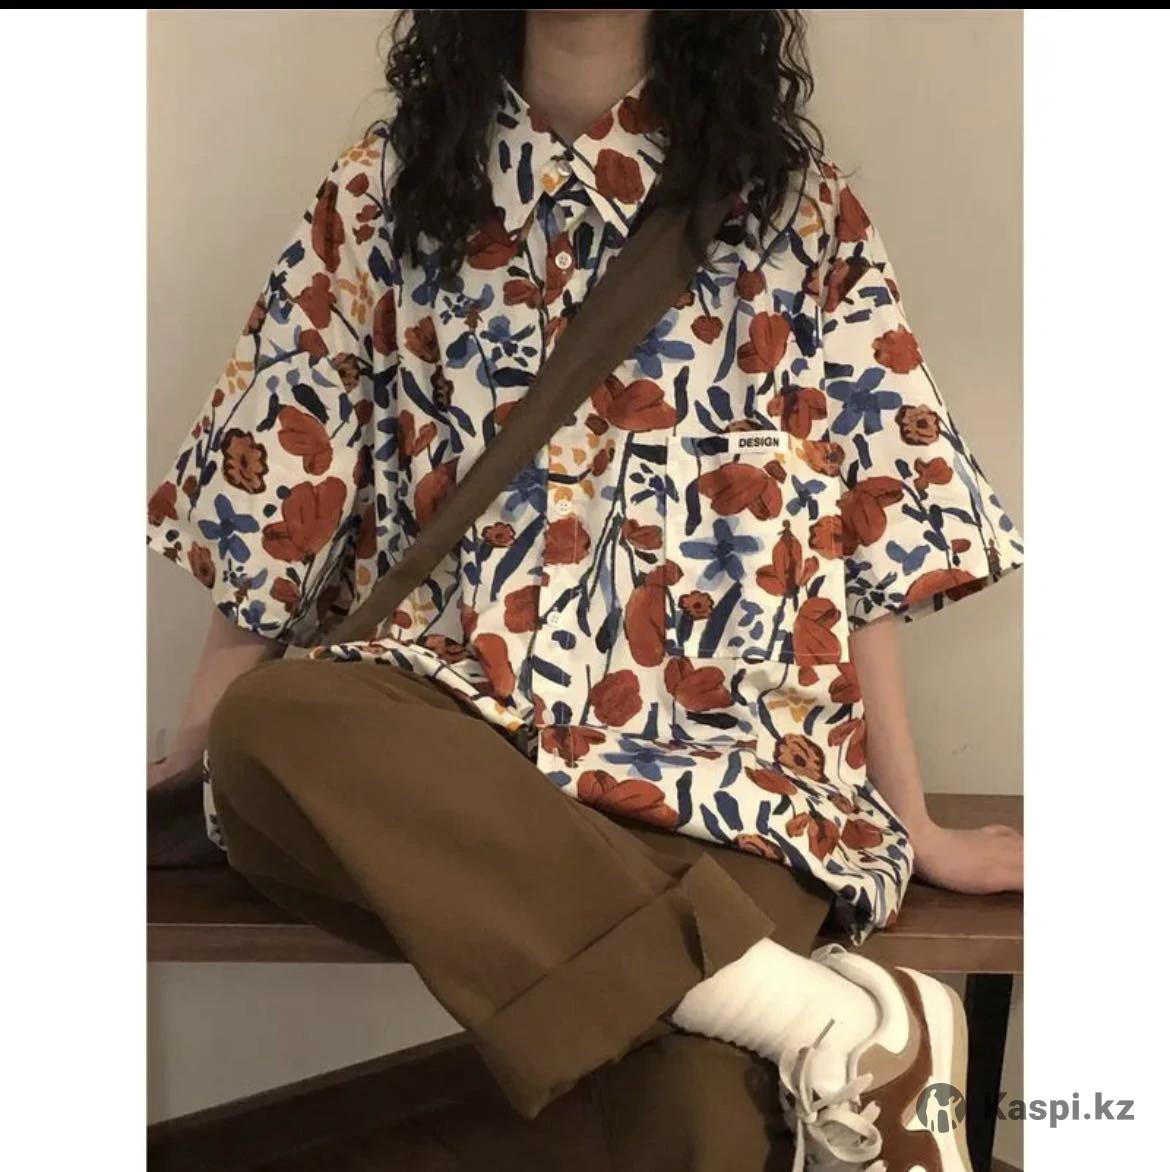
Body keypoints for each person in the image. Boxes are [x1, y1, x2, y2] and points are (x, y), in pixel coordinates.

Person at [147, 10, 1023, 1170]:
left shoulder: (796, 216)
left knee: (698, 1112)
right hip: (458, 764)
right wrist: (202, 749)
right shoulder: (384, 196)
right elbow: (278, 485)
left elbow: (873, 540)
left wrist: (911, 823)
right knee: (270, 730)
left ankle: (794, 1014)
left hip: (726, 780)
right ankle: (819, 1015)